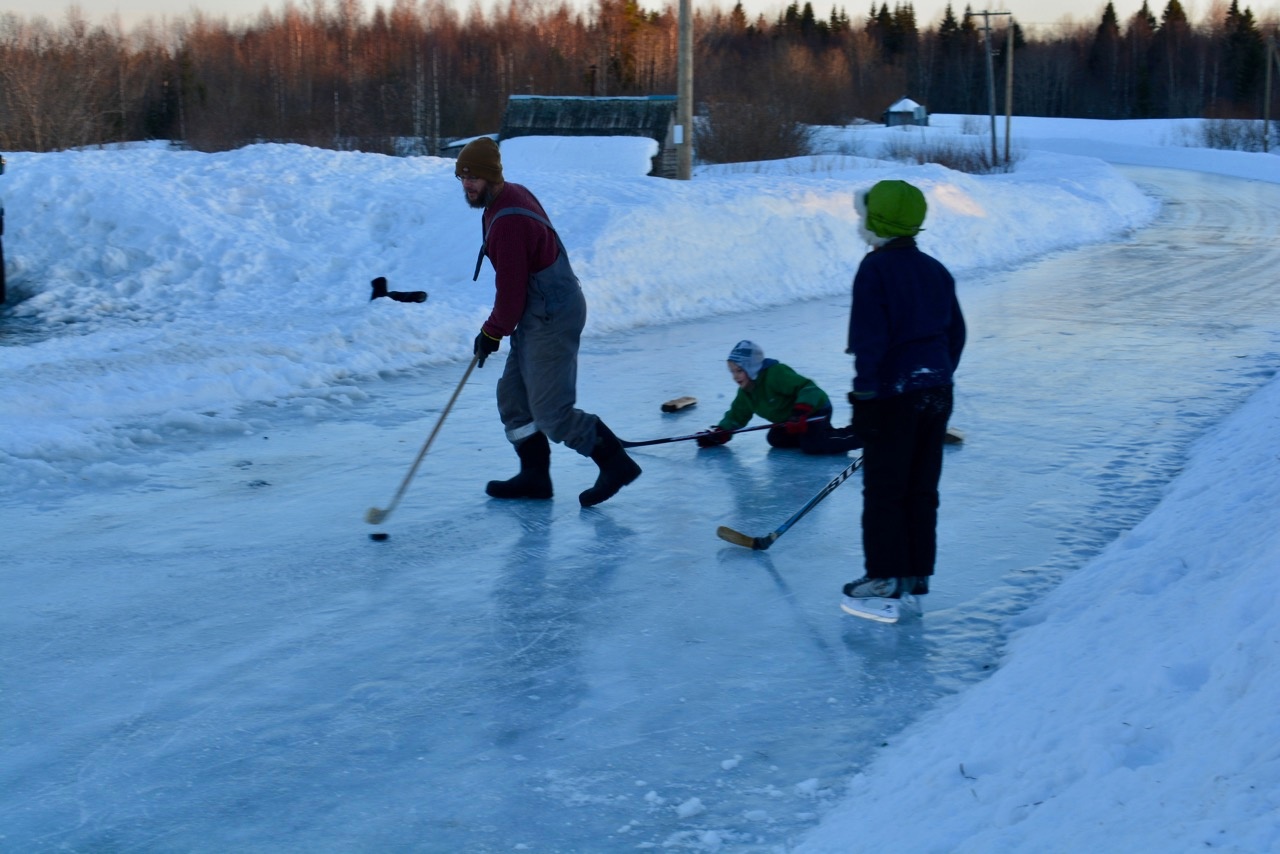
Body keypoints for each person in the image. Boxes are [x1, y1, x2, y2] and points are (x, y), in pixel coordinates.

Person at [455, 137, 641, 507]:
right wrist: (496, 329)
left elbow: (510, 296)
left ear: (492, 176)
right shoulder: (504, 199)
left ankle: (615, 463)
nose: (467, 185)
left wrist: (491, 332)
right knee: (513, 398)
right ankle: (535, 476)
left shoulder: (507, 220)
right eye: (462, 177)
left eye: (473, 177)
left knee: (552, 413)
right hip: (538, 310)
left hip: (551, 314)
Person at [841, 179, 965, 611]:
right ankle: (916, 573)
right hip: (936, 391)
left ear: (875, 221)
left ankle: (884, 577)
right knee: (921, 486)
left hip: (893, 394)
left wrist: (865, 397)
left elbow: (869, 339)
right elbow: (956, 333)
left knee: (884, 489)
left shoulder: (874, 269)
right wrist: (938, 375)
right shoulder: (935, 269)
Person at [695, 340, 862, 455]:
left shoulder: (776, 374)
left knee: (813, 446)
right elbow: (736, 416)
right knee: (776, 438)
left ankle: (862, 435)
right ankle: (809, 435)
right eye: (732, 371)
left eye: (739, 370)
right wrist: (720, 433)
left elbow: (810, 388)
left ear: (752, 368)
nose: (735, 376)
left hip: (814, 410)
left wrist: (799, 412)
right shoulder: (746, 392)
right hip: (792, 418)